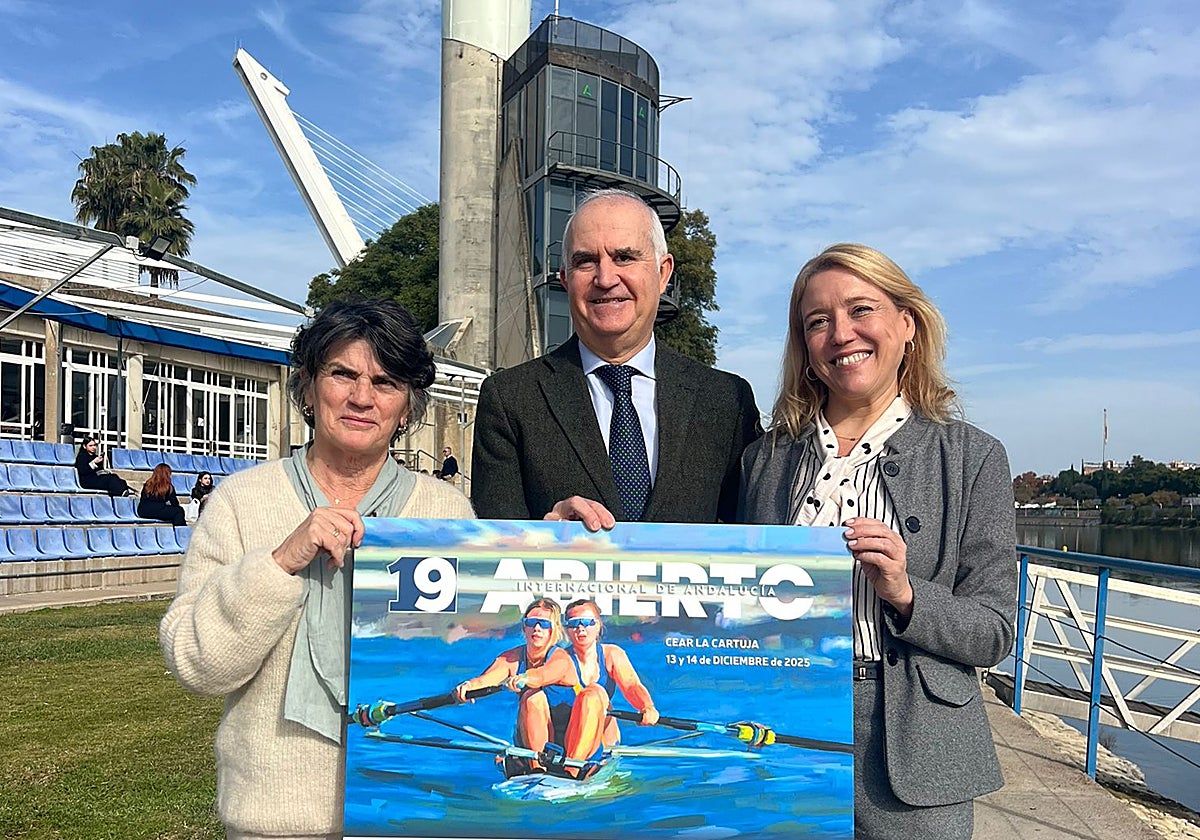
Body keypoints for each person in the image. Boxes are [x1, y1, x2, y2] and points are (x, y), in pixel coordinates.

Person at [159, 298, 474, 839]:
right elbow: (197, 665)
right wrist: (280, 564)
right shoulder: (240, 501)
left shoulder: (445, 513)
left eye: (385, 382)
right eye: (341, 374)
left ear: (408, 406)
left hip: (410, 811)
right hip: (273, 818)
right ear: (307, 386)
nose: (360, 397)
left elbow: (473, 656)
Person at [739, 244, 1017, 839]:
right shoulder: (762, 461)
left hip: (917, 743)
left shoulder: (972, 458)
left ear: (906, 325)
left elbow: (993, 632)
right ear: (804, 346)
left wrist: (906, 592)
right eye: (818, 321)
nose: (841, 334)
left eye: (861, 309)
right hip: (783, 729)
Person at [471, 188, 761, 528]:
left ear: (663, 273)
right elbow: (494, 553)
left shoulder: (726, 401)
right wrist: (543, 537)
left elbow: (758, 542)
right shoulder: (511, 399)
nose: (605, 279)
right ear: (565, 280)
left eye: (624, 257)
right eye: (585, 261)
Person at [516, 598, 659, 773]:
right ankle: (538, 767)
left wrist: (647, 707)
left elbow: (631, 685)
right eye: (574, 623)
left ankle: (572, 770)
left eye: (587, 622)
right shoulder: (558, 658)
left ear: (598, 626)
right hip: (570, 733)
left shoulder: (612, 654)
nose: (580, 628)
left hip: (601, 738)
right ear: (566, 629)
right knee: (533, 697)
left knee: (593, 693)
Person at [453, 597, 578, 771]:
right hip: (531, 741)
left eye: (544, 624)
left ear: (554, 630)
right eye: (532, 622)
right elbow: (486, 679)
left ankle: (542, 768)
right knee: (531, 698)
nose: (537, 628)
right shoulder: (511, 658)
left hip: (567, 740)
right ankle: (536, 769)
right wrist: (468, 687)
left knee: (532, 696)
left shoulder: (561, 658)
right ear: (524, 627)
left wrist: (525, 678)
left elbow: (543, 675)